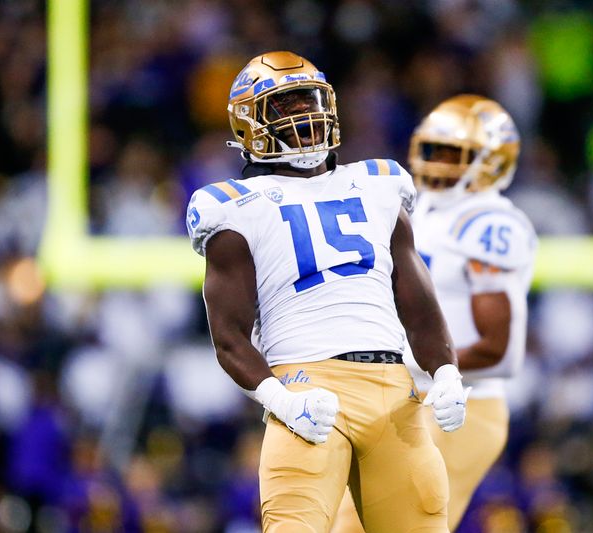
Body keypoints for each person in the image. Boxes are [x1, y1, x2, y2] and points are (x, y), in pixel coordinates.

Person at [186, 51, 468, 533]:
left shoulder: (377, 184)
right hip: (307, 390)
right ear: (249, 123)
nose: (305, 116)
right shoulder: (232, 207)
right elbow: (228, 336)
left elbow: (417, 300)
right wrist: (280, 399)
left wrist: (445, 371)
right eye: (286, 106)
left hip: (394, 392)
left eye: (309, 101)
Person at [332, 95, 537, 532]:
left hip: (463, 406)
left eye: (454, 154)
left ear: (493, 162)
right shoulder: (417, 208)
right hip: (406, 399)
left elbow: (500, 354)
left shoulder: (489, 225)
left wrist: (410, 365)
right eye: (433, 150)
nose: (438, 164)